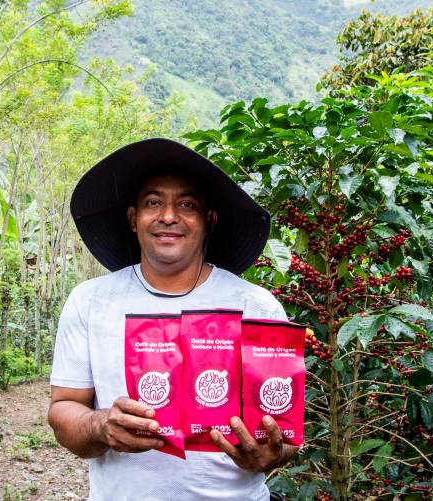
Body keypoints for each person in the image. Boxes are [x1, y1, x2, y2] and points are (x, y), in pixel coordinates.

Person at [48, 138, 298, 500]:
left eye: (187, 204)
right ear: (133, 219)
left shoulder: (257, 307)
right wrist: (101, 425)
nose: (168, 216)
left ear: (209, 221)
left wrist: (270, 453)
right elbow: (63, 409)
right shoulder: (90, 301)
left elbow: (286, 434)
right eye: (153, 202)